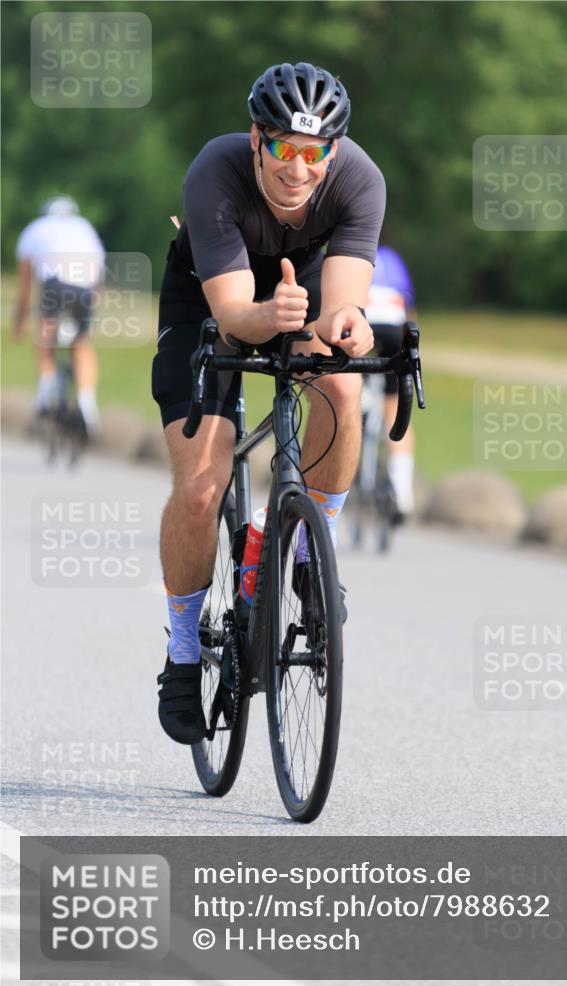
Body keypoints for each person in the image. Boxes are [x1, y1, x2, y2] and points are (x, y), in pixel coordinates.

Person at [152, 61, 386, 745]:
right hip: (208, 299)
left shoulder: (358, 181)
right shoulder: (215, 171)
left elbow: (342, 301)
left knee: (342, 383)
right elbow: (231, 316)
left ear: (332, 153)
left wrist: (348, 325)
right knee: (200, 486)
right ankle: (183, 653)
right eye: (283, 147)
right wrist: (269, 312)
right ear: (257, 139)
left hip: (301, 289)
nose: (297, 168)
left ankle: (313, 557)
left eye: (313, 153)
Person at [13, 196, 105, 435]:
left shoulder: (34, 229)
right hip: (85, 287)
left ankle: (46, 386)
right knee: (82, 343)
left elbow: (24, 288)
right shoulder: (85, 227)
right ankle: (87, 403)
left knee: (44, 330)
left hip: (55, 284)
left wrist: (19, 323)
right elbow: (98, 276)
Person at [365, 244, 418, 516]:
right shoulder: (394, 257)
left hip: (364, 319)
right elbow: (409, 309)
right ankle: (402, 488)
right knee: (394, 405)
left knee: (347, 387)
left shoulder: (347, 248)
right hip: (393, 325)